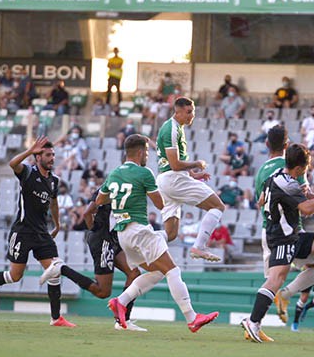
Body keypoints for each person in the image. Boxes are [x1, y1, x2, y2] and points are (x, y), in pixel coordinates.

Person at [88, 134, 219, 332]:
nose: (148, 156)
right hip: (139, 230)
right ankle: (192, 318)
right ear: (140, 152)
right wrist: (179, 195)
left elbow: (99, 201)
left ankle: (121, 301)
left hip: (123, 235)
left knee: (158, 272)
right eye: (147, 152)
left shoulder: (114, 174)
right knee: (173, 271)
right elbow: (160, 204)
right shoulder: (144, 173)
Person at [0, 136, 97, 327]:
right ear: (38, 157)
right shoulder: (28, 172)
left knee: (53, 271)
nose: (52, 158)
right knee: (15, 276)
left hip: (42, 233)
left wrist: (57, 223)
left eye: (53, 155)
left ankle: (55, 318)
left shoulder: (54, 181)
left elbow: (53, 202)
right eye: (48, 155)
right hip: (22, 231)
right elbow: (13, 163)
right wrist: (29, 150)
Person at [241, 144, 314, 344]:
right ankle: (253, 322)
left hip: (292, 234)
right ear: (299, 169)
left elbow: (261, 199)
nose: (306, 172)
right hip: (282, 237)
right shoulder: (287, 182)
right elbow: (307, 210)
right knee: (275, 280)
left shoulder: (277, 176)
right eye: (306, 168)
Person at [155, 97, 225, 262]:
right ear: (177, 112)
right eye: (188, 112)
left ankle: (141, 240)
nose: (192, 115)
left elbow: (171, 164)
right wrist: (197, 163)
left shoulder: (175, 127)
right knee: (218, 206)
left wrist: (193, 174)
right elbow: (174, 164)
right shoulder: (171, 129)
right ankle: (199, 247)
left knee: (171, 234)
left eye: (193, 111)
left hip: (166, 181)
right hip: (174, 180)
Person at [80, 189, 145, 331]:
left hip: (114, 241)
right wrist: (97, 234)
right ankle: (63, 270)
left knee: (134, 273)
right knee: (103, 291)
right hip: (103, 240)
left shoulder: (126, 193)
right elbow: (87, 213)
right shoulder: (106, 190)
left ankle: (123, 320)